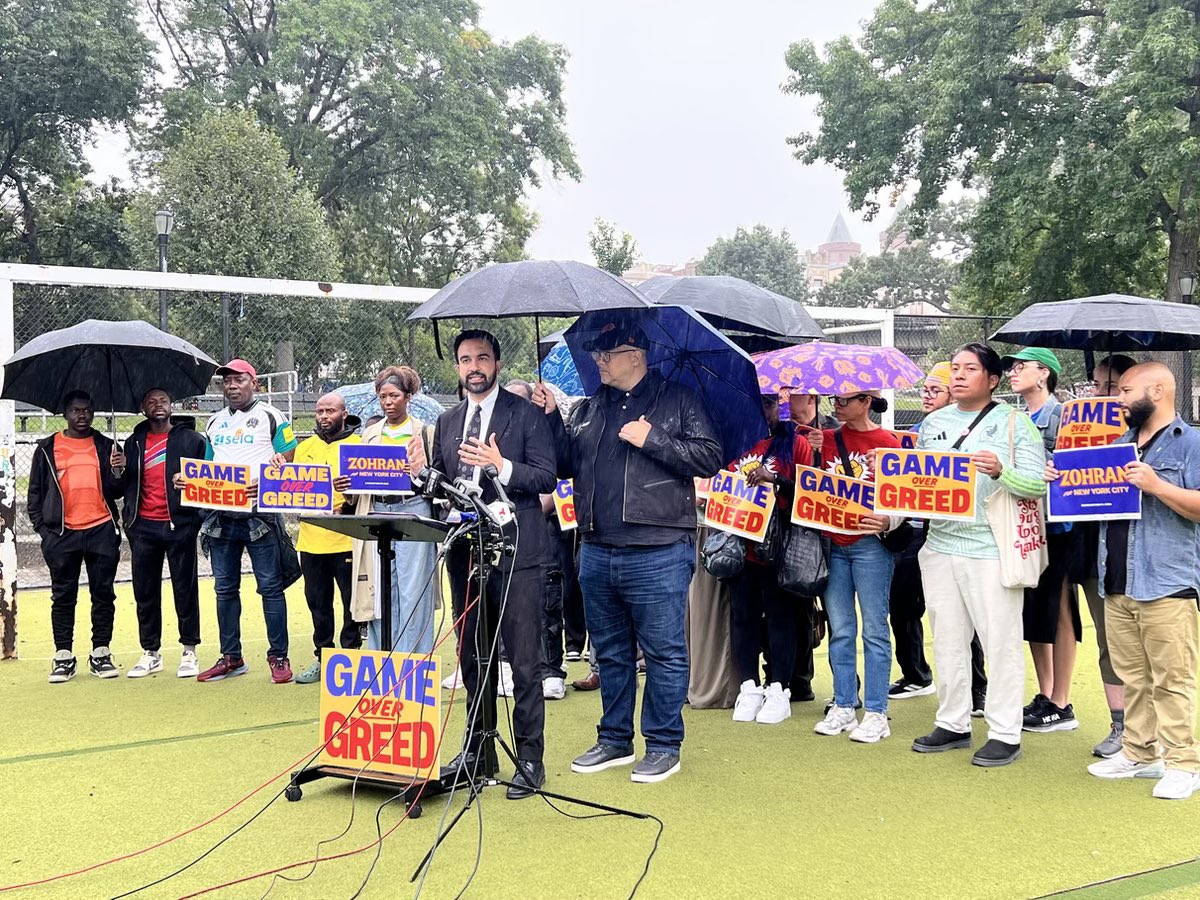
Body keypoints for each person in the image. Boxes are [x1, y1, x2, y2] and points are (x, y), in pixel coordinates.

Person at [534, 315, 722, 784]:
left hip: (659, 547)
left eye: (608, 354)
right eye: (597, 353)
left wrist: (653, 438)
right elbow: (563, 465)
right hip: (596, 547)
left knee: (663, 652)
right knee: (611, 653)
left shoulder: (678, 399)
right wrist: (552, 418)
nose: (599, 361)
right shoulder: (588, 407)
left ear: (635, 355)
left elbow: (709, 457)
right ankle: (615, 739)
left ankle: (663, 745)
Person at [433, 331, 558, 801]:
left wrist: (500, 465)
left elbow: (547, 476)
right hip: (465, 553)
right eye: (465, 359)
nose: (474, 367)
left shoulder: (526, 414)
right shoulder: (446, 420)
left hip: (517, 551)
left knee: (523, 659)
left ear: (498, 364)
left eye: (482, 358)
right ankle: (478, 751)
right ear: (457, 368)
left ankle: (530, 759)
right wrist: (420, 477)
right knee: (472, 657)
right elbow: (442, 484)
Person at [911, 343, 1046, 767]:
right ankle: (953, 722)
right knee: (947, 640)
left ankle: (1005, 732)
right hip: (939, 546)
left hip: (991, 549)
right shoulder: (933, 422)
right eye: (955, 368)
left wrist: (1000, 471)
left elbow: (1038, 485)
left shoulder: (1015, 423)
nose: (958, 375)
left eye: (970, 368)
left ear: (992, 379)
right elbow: (917, 483)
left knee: (999, 641)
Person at [1085, 363, 1200, 799]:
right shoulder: (1118, 445)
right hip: (1116, 580)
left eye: (1125, 390)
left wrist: (1156, 486)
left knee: (1172, 678)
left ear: (1157, 391)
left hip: (1167, 581)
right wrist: (1065, 485)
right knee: (1133, 676)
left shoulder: (1191, 444)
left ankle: (1184, 763)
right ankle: (1138, 752)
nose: (1117, 398)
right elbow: (1094, 504)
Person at [191, 359, 299, 684]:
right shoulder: (214, 421)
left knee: (270, 588)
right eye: (226, 381)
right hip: (221, 517)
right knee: (224, 589)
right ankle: (231, 657)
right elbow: (208, 467)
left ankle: (279, 656)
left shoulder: (272, 416)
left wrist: (268, 478)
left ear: (255, 383)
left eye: (238, 379)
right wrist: (189, 481)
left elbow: (289, 458)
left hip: (259, 516)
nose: (232, 386)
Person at [889, 364, 989, 710]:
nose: (927, 396)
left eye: (936, 390)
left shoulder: (974, 431)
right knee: (901, 605)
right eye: (925, 389)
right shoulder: (916, 432)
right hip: (915, 530)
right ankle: (916, 675)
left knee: (962, 613)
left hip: (956, 532)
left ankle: (977, 688)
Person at [807, 391, 901, 743]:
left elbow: (904, 495)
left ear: (867, 402)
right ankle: (844, 703)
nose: (838, 405)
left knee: (874, 628)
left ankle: (876, 711)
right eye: (835, 399)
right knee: (841, 629)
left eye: (846, 400)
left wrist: (888, 520)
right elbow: (811, 487)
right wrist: (813, 452)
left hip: (870, 545)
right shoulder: (826, 439)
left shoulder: (888, 442)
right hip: (834, 544)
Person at [1003, 347, 1082, 734]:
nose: (1012, 373)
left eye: (1021, 367)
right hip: (1026, 526)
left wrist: (1058, 469)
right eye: (1011, 368)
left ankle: (1062, 701)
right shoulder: (1013, 419)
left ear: (1044, 374)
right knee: (1034, 612)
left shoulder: (1064, 416)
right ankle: (1046, 694)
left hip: (1060, 528)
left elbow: (1084, 466)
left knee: (1062, 609)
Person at [112, 388, 209, 679]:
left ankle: (189, 650)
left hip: (180, 525)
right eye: (151, 402)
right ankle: (150, 652)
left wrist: (192, 503)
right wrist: (119, 470)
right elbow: (121, 487)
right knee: (145, 592)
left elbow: (209, 482)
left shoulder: (192, 440)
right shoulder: (133, 442)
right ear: (143, 408)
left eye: (163, 400)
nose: (158, 405)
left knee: (185, 589)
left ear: (171, 406)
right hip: (143, 527)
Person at [29, 390, 123, 683]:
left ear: (93, 412)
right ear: (65, 414)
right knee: (63, 595)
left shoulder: (106, 446)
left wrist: (118, 471)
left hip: (101, 530)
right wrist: (44, 530)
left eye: (87, 410)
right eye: (75, 410)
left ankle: (101, 653)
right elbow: (35, 493)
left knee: (103, 594)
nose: (82, 415)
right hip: (62, 533)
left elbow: (117, 491)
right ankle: (63, 656)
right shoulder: (47, 448)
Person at [346, 367, 438, 657]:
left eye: (394, 396)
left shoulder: (425, 433)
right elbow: (359, 480)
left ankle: (414, 660)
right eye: (383, 396)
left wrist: (417, 472)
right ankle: (383, 658)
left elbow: (435, 480)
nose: (388, 402)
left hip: (413, 509)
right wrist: (346, 485)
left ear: (408, 396)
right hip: (377, 511)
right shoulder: (370, 434)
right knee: (380, 588)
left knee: (413, 589)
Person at [729, 393, 809, 724]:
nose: (764, 410)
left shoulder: (796, 442)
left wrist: (774, 479)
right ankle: (749, 686)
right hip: (740, 545)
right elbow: (719, 483)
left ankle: (780, 688)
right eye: (757, 402)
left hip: (780, 546)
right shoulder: (734, 439)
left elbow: (809, 489)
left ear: (780, 404)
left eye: (769, 402)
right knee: (742, 617)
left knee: (780, 617)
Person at [1076, 354, 1137, 758]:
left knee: (1156, 650)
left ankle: (1159, 733)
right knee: (1109, 641)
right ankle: (1121, 726)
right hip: (1096, 553)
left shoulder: (1170, 438)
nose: (1103, 395)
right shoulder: (1078, 429)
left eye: (1113, 387)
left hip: (1152, 561)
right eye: (1097, 386)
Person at [293, 393, 362, 684]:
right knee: (318, 604)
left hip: (346, 539)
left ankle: (352, 658)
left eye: (330, 411)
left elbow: (366, 491)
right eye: (320, 411)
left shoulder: (359, 446)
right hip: (311, 540)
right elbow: (292, 488)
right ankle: (323, 657)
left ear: (343, 414)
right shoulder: (304, 448)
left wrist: (346, 503)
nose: (324, 416)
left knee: (351, 604)